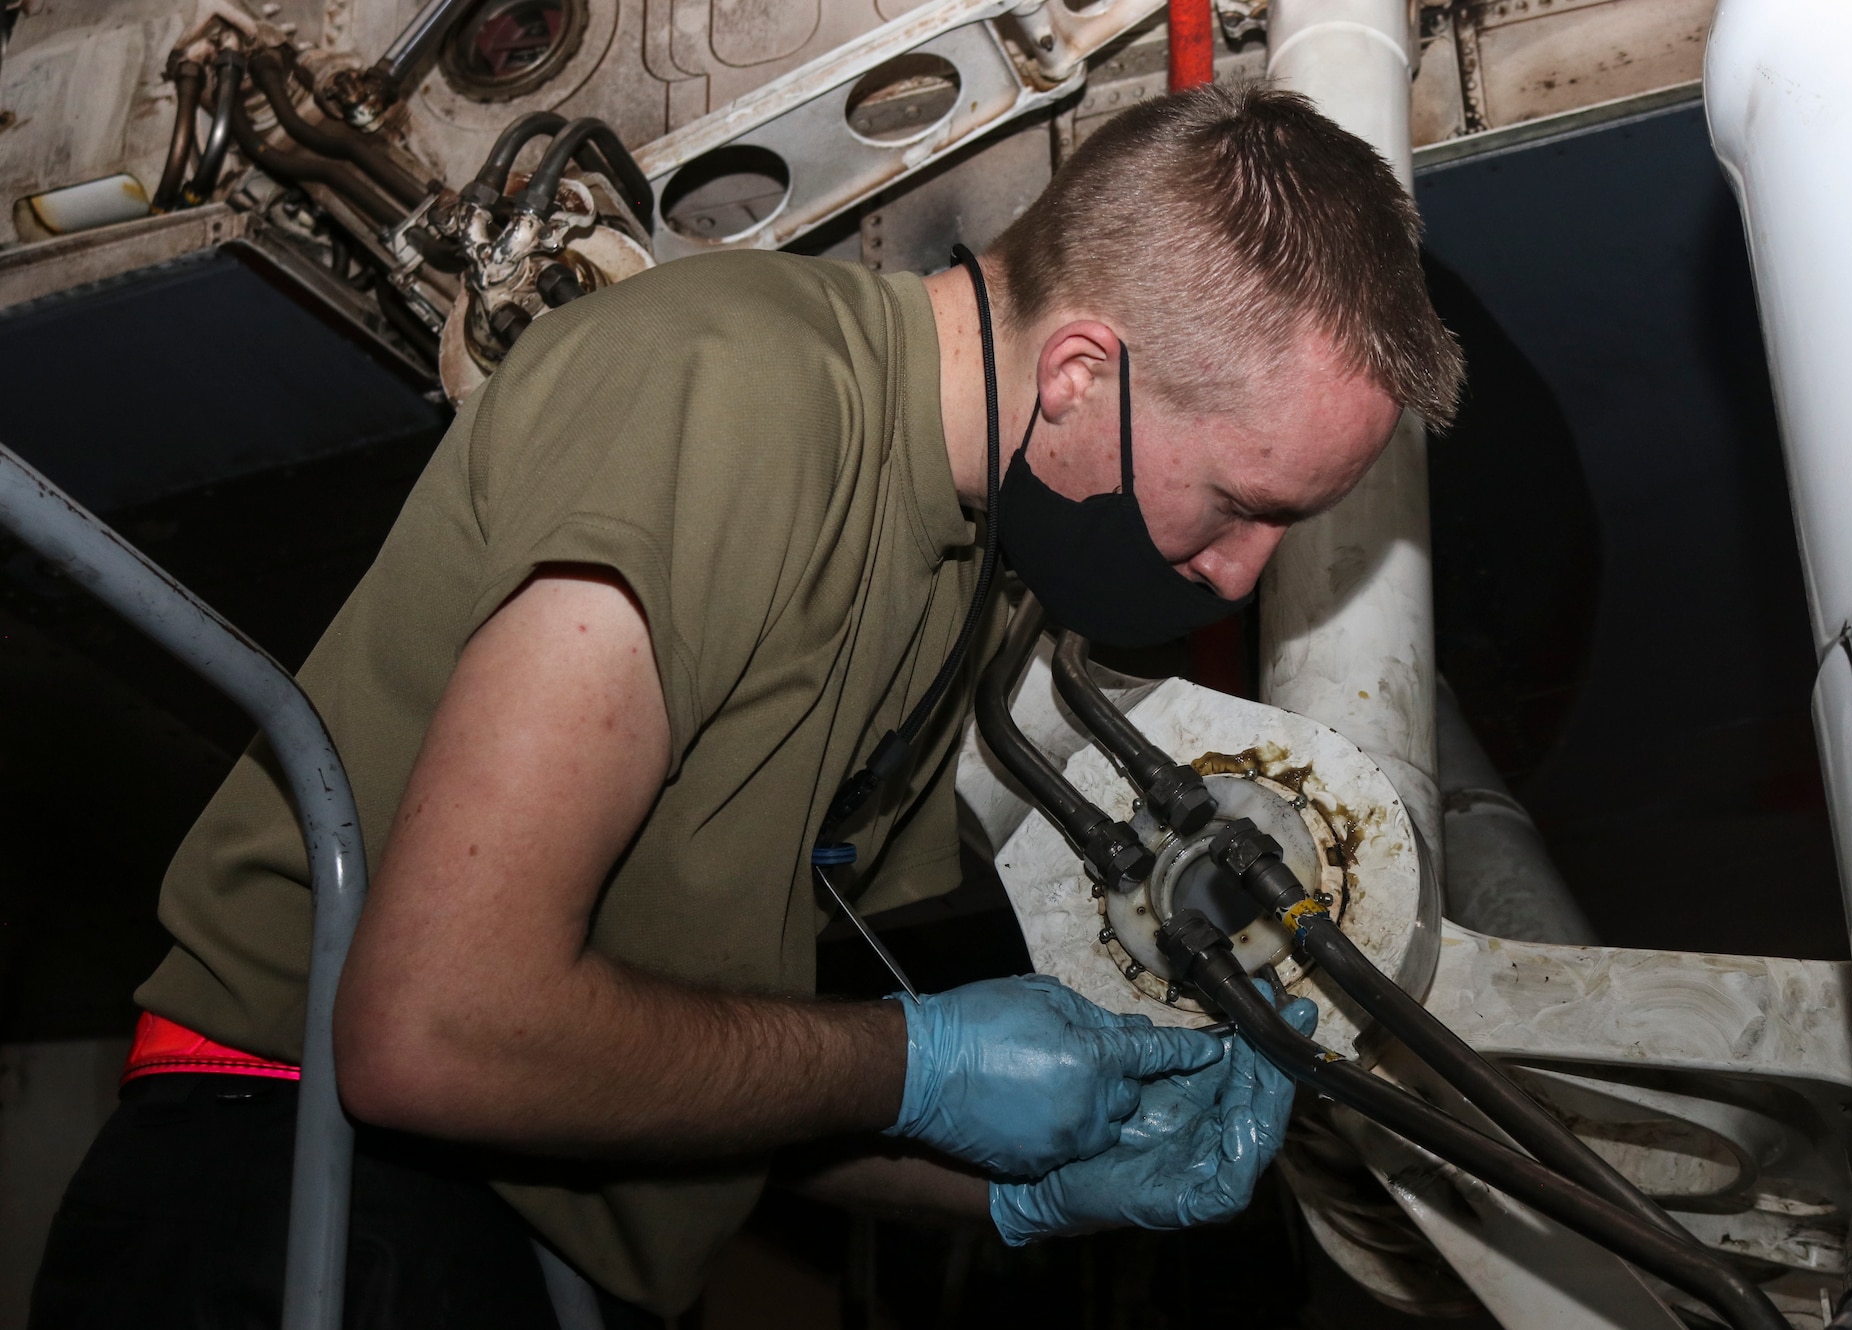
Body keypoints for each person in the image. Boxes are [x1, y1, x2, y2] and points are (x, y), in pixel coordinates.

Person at [32, 82, 1462, 1327]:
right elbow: (434, 1027)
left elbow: (706, 1060)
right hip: (310, 1199)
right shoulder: (732, 387)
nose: (1237, 573)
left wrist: (1034, 1188)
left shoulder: (964, 578)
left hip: (528, 1251)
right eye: (1240, 504)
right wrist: (914, 1062)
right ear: (1083, 372)